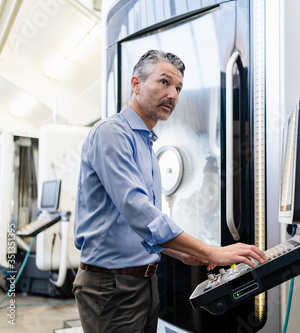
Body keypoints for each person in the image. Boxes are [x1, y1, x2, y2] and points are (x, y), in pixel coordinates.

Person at [72, 50, 266, 333]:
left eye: (178, 88)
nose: (173, 95)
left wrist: (177, 252)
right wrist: (211, 252)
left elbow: (128, 226)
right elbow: (138, 211)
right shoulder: (112, 134)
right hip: (111, 287)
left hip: (144, 282)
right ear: (136, 84)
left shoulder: (147, 143)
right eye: (164, 82)